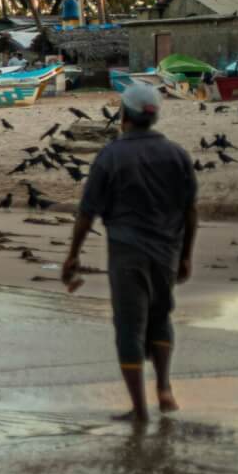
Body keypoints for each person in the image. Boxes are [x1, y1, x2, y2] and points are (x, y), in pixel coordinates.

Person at [61, 82, 196, 423]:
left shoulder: (111, 156)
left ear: (124, 116)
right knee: (160, 317)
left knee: (129, 328)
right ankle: (164, 389)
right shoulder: (177, 154)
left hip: (126, 252)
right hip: (167, 251)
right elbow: (190, 210)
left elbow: (87, 211)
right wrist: (186, 255)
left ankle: (139, 410)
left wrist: (73, 255)